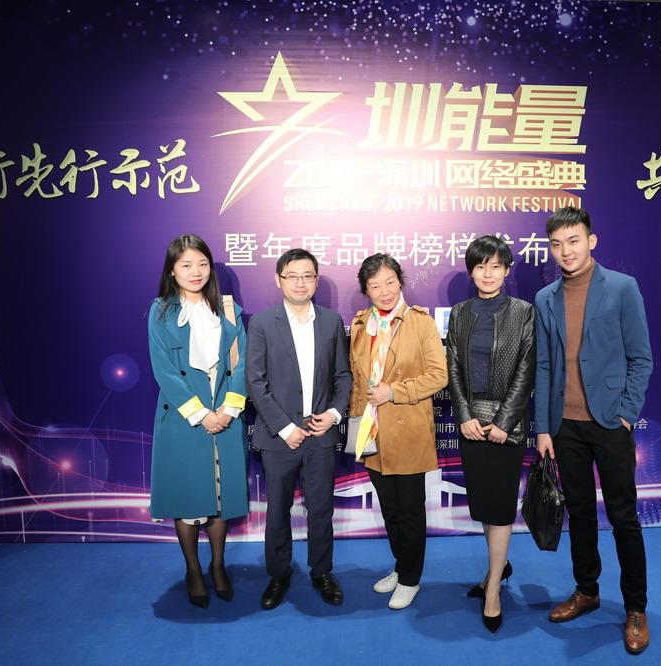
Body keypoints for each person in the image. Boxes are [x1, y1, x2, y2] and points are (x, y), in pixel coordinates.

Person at [533, 207, 654, 654]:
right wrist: (543, 428)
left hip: (609, 424)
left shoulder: (622, 287)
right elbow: (543, 365)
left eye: (573, 241)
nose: (566, 251)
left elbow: (641, 357)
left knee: (623, 517)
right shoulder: (545, 298)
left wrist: (626, 414)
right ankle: (587, 590)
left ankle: (636, 608)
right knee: (580, 513)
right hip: (564, 427)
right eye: (557, 244)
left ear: (591, 241)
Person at [246, 249, 351, 610]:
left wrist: (334, 414)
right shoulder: (262, 323)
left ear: (316, 280)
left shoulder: (331, 321)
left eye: (307, 276)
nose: (300, 282)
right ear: (279, 280)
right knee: (278, 510)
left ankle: (322, 572)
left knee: (321, 509)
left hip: (320, 434)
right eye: (292, 276)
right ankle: (278, 574)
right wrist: (285, 427)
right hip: (280, 437)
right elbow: (255, 383)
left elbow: (343, 376)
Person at [148, 234, 249, 608]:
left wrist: (228, 411)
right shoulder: (161, 312)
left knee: (220, 497)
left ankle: (218, 566)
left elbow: (241, 364)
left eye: (202, 264)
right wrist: (202, 414)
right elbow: (164, 371)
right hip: (184, 418)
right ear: (172, 271)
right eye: (186, 265)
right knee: (189, 497)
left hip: (226, 414)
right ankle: (193, 569)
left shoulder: (228, 310)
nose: (196, 272)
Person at [445, 235, 535, 633]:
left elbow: (526, 370)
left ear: (507, 271)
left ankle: (494, 588)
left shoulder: (524, 312)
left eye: (496, 266)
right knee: (484, 507)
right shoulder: (460, 313)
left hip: (505, 428)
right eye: (481, 266)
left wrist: (504, 422)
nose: (488, 273)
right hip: (471, 426)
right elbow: (452, 368)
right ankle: (496, 569)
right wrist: (463, 415)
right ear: (471, 271)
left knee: (499, 510)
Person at [348, 253, 447, 610]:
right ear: (366, 290)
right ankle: (401, 565)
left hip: (407, 429)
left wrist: (394, 391)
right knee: (389, 508)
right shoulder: (361, 324)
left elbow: (439, 375)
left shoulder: (420, 322)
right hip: (372, 431)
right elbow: (357, 380)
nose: (384, 291)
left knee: (409, 510)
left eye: (390, 282)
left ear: (400, 282)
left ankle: (410, 578)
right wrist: (356, 425)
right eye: (375, 285)